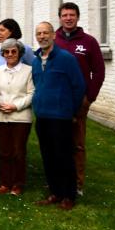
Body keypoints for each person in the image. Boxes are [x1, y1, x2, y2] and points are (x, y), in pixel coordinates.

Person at [33, 22, 86, 211]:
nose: (42, 36)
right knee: (48, 156)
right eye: (39, 33)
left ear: (53, 35)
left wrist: (69, 109)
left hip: (61, 117)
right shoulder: (36, 59)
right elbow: (37, 83)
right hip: (42, 116)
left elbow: (78, 86)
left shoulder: (66, 59)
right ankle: (55, 192)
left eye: (45, 33)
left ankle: (68, 195)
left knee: (63, 156)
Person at [55, 2, 105, 196]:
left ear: (77, 17)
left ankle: (77, 183)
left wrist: (89, 98)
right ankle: (57, 180)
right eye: (65, 15)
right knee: (57, 142)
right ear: (59, 17)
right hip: (57, 101)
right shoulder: (53, 40)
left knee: (77, 143)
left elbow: (98, 72)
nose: (68, 18)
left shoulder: (89, 41)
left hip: (78, 101)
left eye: (72, 15)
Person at [0, 38, 34, 196]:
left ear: (20, 53)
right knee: (3, 151)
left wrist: (16, 106)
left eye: (13, 51)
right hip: (1, 116)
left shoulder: (28, 70)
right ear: (2, 54)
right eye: (6, 52)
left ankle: (17, 184)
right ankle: (4, 183)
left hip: (21, 117)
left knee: (18, 152)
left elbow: (32, 93)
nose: (10, 54)